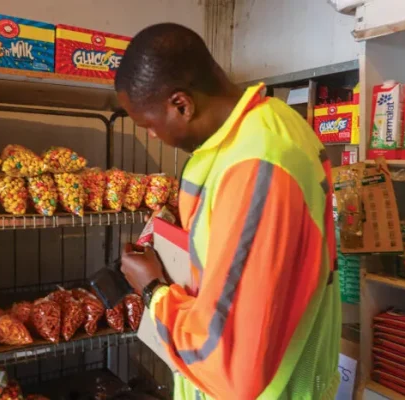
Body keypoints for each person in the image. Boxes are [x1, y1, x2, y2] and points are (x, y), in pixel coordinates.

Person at [116, 23, 340, 400]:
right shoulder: (274, 120)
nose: (152, 135)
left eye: (148, 125)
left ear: (181, 105)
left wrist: (152, 289)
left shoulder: (258, 165)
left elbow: (232, 362)